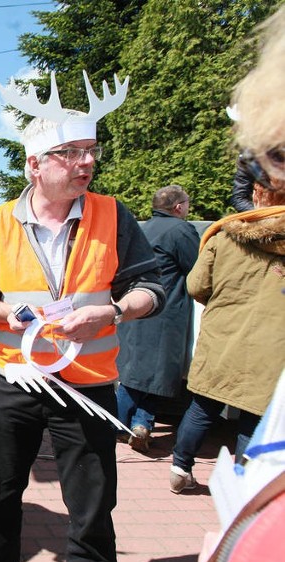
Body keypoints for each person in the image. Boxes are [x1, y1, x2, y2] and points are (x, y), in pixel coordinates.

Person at [0, 71, 165, 562]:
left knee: (93, 510)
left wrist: (113, 311)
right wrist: (3, 313)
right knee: (0, 501)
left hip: (89, 385)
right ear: (34, 164)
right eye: (71, 152)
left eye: (90, 151)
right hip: (17, 382)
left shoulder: (114, 215)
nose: (87, 162)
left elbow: (152, 289)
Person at [169, 4, 285, 495]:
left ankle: (179, 466)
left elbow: (196, 286)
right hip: (269, 354)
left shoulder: (222, 233)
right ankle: (243, 484)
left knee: (202, 407)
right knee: (255, 417)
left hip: (220, 343)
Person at [115, 185, 199, 452]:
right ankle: (140, 423)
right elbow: (196, 271)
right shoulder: (181, 230)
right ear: (178, 207)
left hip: (135, 309)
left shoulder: (141, 228)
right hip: (165, 312)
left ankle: (121, 424)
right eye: (186, 203)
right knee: (158, 373)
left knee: (132, 369)